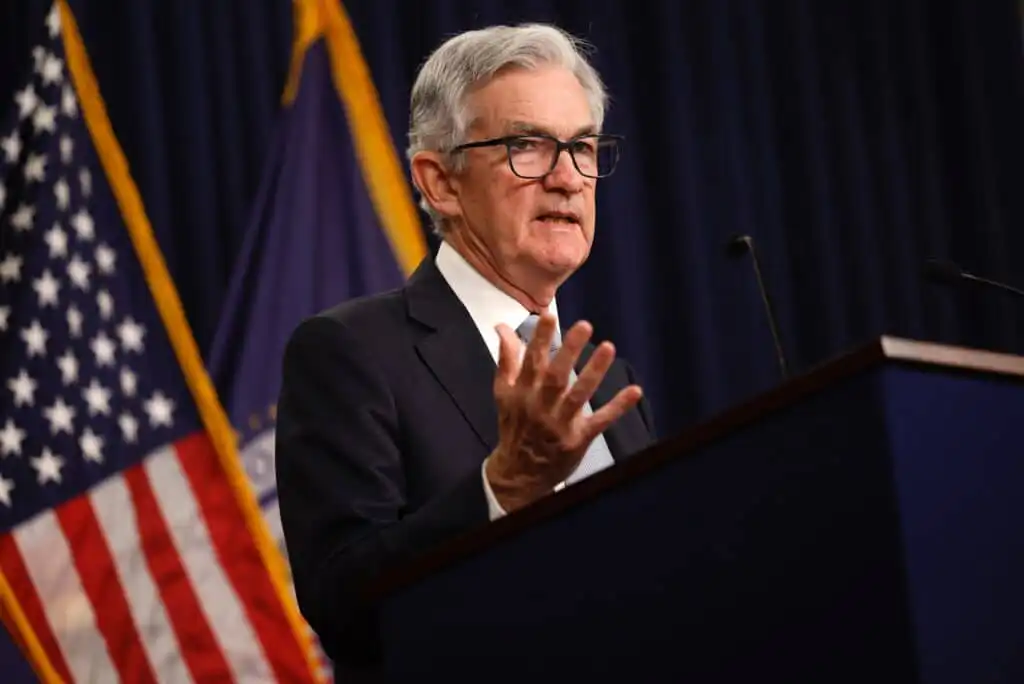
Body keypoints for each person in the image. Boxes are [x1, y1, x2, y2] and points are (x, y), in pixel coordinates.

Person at [274, 22, 657, 676]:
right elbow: (344, 607)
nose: (568, 178)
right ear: (440, 182)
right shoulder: (351, 353)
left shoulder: (606, 378)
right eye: (527, 146)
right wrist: (504, 485)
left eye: (584, 147)